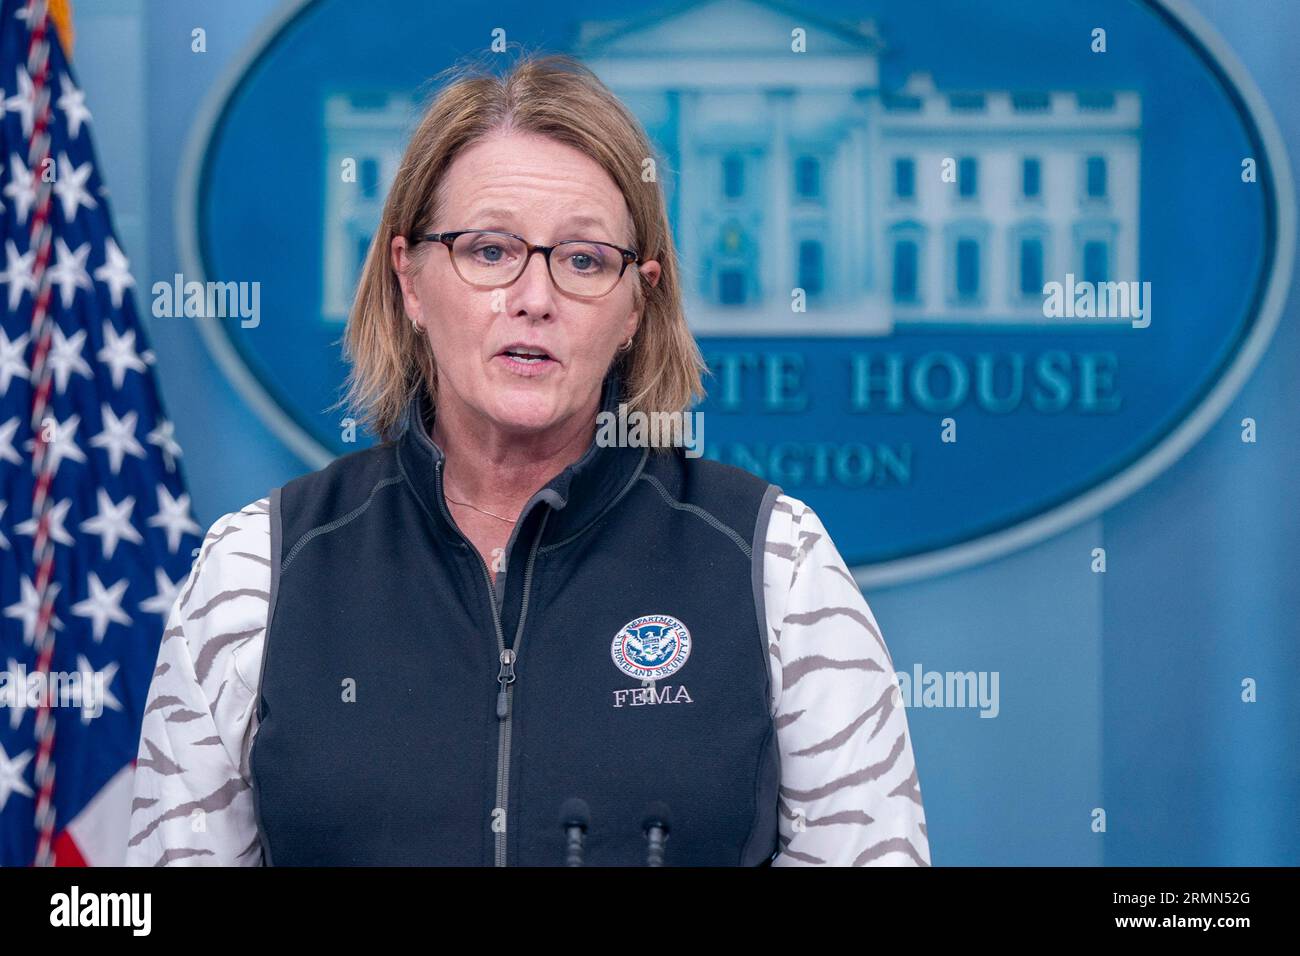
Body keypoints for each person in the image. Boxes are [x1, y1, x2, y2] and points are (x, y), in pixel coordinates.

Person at [125, 52, 930, 867]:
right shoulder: (255, 573)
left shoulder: (778, 566)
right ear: (409, 281)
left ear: (634, 307)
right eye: (488, 250)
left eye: (583, 260)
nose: (534, 297)